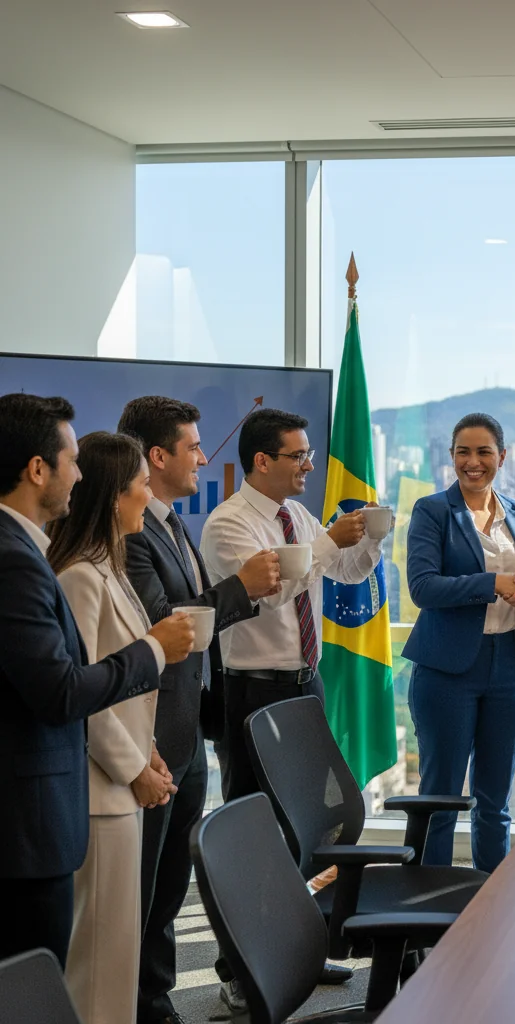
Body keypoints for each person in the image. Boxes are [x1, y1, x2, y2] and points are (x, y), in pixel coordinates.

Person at [0, 395, 193, 969]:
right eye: (70, 459)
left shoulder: (33, 554)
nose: (77, 473)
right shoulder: (20, 560)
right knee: (67, 974)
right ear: (39, 469)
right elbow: (63, 690)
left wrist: (146, 750)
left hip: (67, 799)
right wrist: (154, 650)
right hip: (43, 812)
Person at [200, 406, 382, 1011]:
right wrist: (327, 542)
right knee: (253, 830)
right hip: (252, 688)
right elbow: (270, 593)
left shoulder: (296, 515)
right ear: (262, 461)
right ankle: (235, 966)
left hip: (306, 680)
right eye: (298, 456)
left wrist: (369, 538)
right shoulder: (230, 525)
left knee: (304, 823)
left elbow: (341, 573)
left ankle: (296, 945)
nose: (309, 464)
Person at [118, 397, 281, 1024]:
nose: (202, 457)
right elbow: (167, 627)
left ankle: (156, 1001)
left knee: (166, 890)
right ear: (156, 456)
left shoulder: (170, 521)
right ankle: (140, 1006)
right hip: (154, 739)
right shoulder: (132, 536)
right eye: (191, 446)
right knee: (143, 888)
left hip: (187, 730)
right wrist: (242, 587)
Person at [47, 432, 194, 1024]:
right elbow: (84, 694)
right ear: (116, 497)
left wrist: (150, 753)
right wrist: (136, 768)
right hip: (101, 792)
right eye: (138, 486)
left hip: (122, 785)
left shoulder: (109, 568)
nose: (146, 496)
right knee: (98, 968)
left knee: (117, 955)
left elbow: (128, 685)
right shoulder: (80, 576)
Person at [403, 413, 515, 872]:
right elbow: (423, 588)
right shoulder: (432, 511)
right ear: (451, 457)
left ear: (502, 457)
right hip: (447, 670)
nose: (473, 462)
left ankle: (492, 907)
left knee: (495, 802)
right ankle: (427, 914)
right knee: (443, 799)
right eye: (463, 452)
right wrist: (492, 583)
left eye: (484, 452)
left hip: (510, 667)